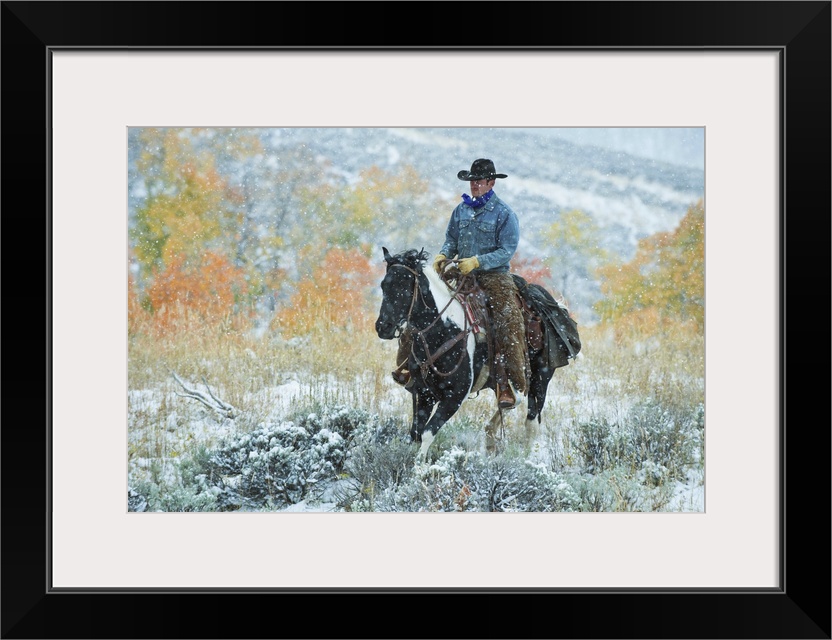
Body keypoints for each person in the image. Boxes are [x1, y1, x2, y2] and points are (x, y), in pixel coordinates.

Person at [392, 158, 529, 409]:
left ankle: (507, 382)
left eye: (479, 181)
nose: (474, 185)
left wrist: (478, 261)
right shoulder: (460, 210)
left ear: (491, 182)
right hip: (460, 274)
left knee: (507, 321)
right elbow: (451, 240)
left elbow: (507, 251)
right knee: (423, 306)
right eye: (472, 181)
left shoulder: (505, 213)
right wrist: (443, 254)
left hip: (494, 277)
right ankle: (408, 366)